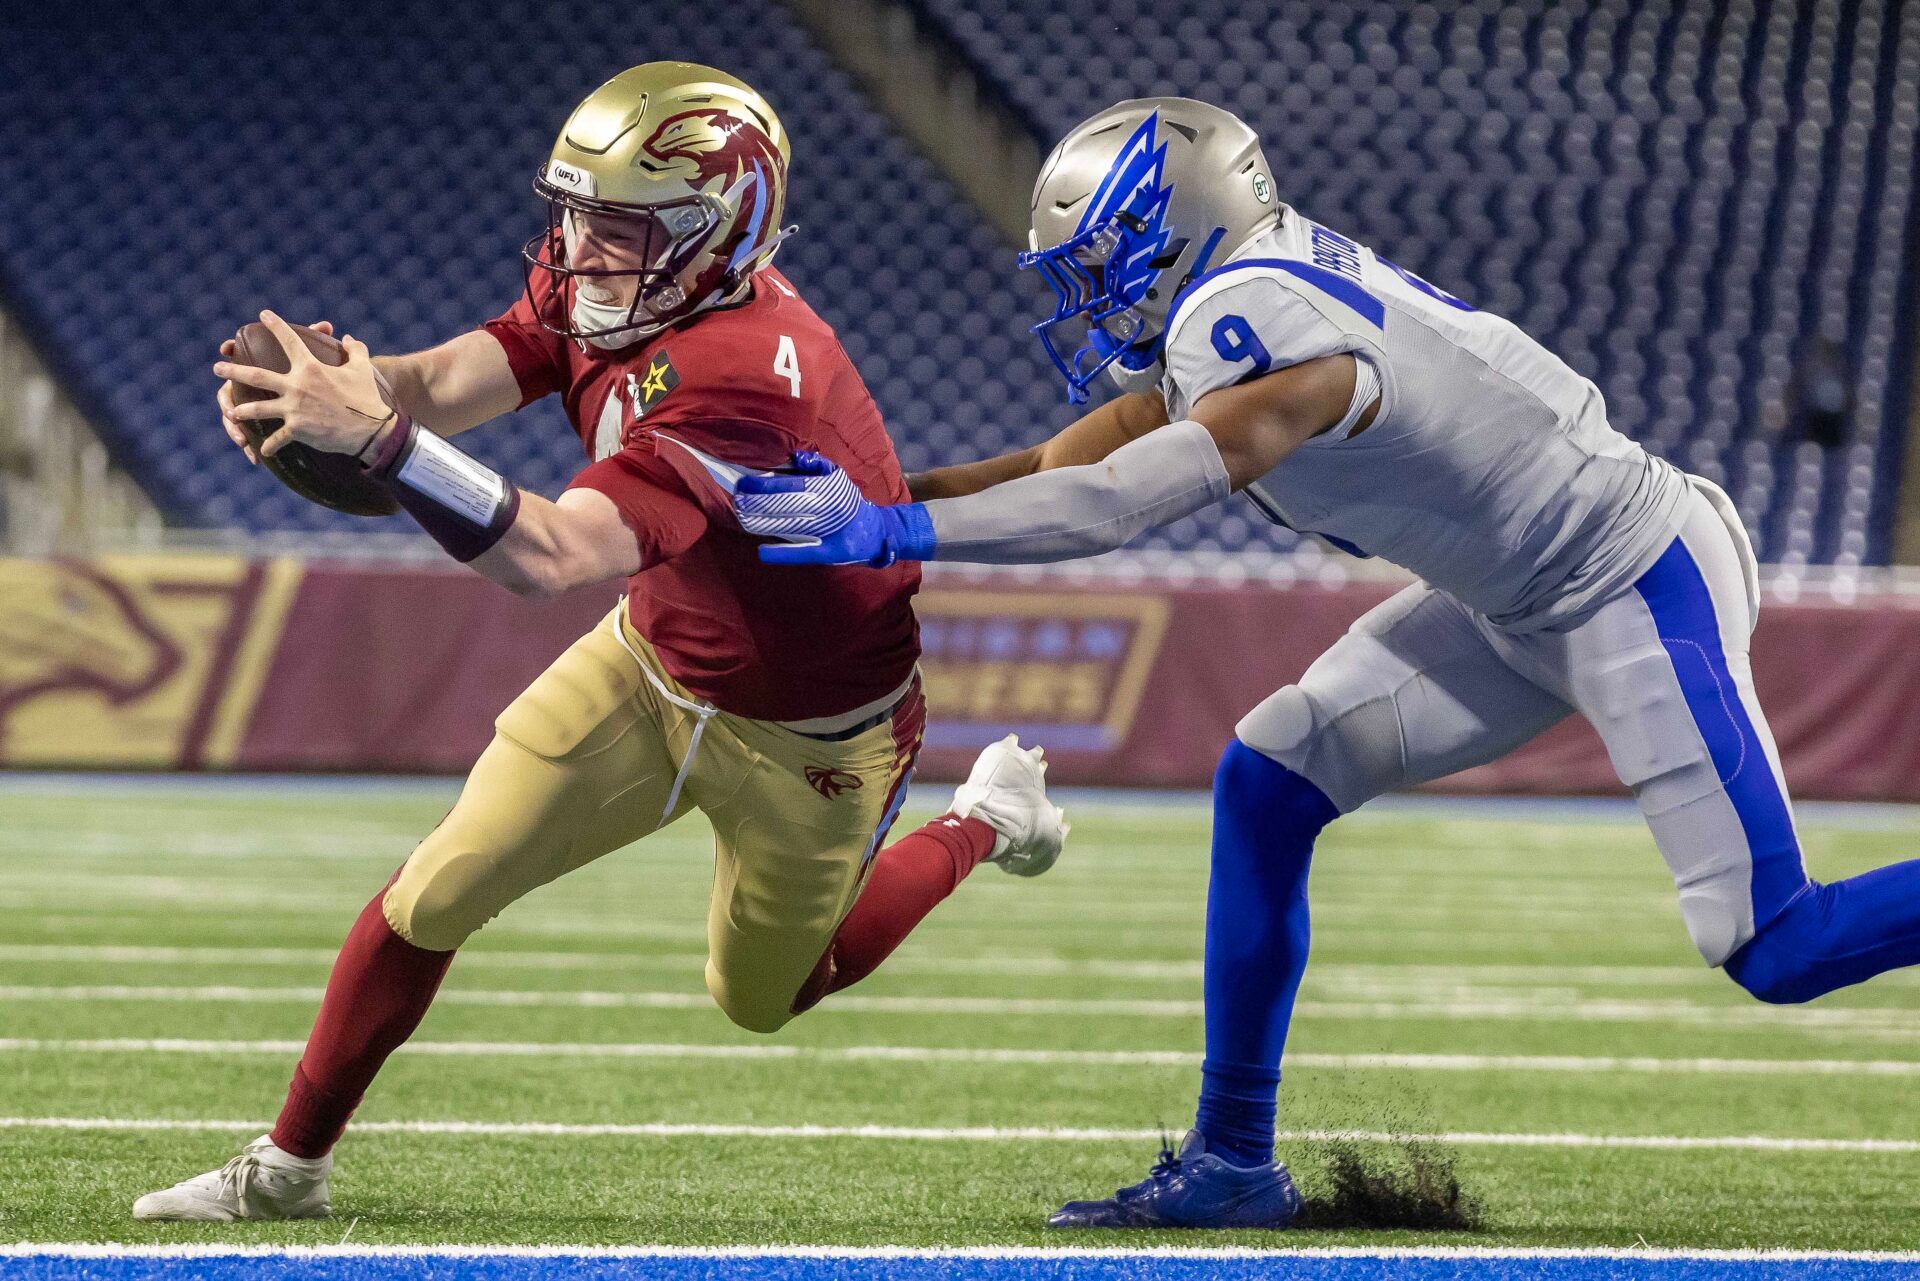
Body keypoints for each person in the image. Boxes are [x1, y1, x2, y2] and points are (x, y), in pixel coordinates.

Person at [730, 96, 1920, 1230]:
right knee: (1270, 774)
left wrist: (892, 531)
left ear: (1176, 233)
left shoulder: (1256, 328)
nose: (1087, 298)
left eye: (1101, 264)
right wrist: (871, 500)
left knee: (1779, 947)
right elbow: (1057, 462)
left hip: (1629, 579)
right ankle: (1235, 1161)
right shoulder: (1240, 306)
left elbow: (1104, 507)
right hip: (1509, 597)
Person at [132, 62, 1066, 1222]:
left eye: (620, 227)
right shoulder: (616, 287)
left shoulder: (745, 378)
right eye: (574, 214)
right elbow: (442, 383)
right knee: (433, 893)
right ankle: (287, 1170)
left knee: (769, 996)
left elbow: (553, 557)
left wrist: (376, 443)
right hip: (653, 664)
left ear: (723, 229)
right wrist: (334, 394)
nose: (581, 250)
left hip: (815, 731)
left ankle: (986, 819)